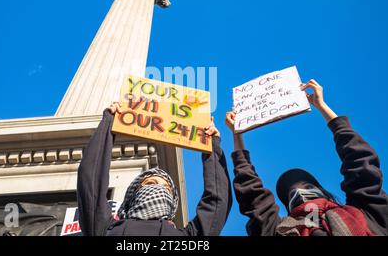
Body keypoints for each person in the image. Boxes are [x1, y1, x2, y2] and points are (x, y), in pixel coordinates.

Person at [227, 79, 388, 236]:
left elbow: (360, 163)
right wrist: (237, 134)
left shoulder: (364, 214)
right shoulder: (278, 231)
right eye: (292, 195)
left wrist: (321, 105)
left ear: (326, 194)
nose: (300, 194)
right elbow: (252, 195)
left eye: (309, 188)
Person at [77, 102, 232, 236]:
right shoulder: (104, 229)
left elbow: (218, 201)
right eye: (150, 183)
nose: (159, 188)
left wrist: (211, 146)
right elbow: (91, 181)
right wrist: (109, 123)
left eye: (166, 188)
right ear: (134, 193)